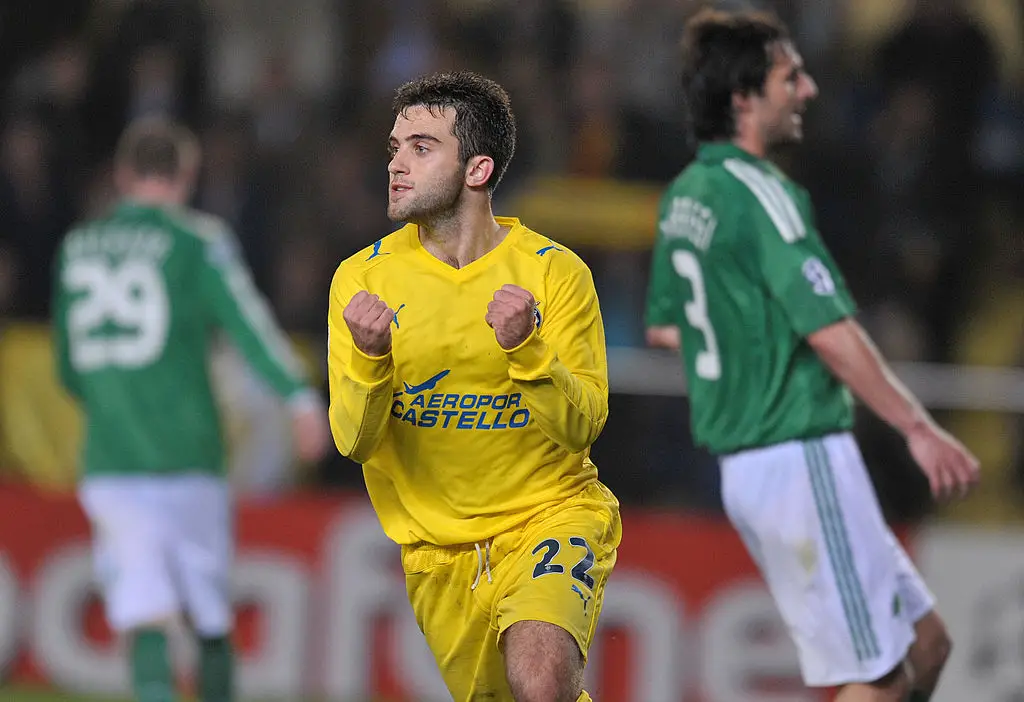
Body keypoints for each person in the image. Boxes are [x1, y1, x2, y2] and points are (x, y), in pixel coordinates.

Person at [645, 10, 980, 702]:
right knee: (878, 678)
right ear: (744, 99)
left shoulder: (686, 199)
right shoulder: (765, 196)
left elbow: (668, 329)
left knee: (928, 644)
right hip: (798, 456)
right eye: (789, 77)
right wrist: (917, 427)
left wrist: (749, 346)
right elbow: (831, 331)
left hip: (753, 466)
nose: (809, 89)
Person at [327, 71, 620, 702]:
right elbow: (352, 441)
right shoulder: (362, 281)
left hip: (550, 516)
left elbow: (583, 425)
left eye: (421, 148)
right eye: (393, 149)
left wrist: (525, 348)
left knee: (540, 682)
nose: (396, 164)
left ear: (477, 169)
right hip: (440, 555)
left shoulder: (555, 274)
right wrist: (371, 359)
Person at [52, 118, 331, 702]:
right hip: (187, 456)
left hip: (112, 458)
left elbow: (68, 371)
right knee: (208, 613)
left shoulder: (77, 247)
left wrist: (116, 402)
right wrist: (300, 397)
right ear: (187, 175)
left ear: (124, 176)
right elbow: (247, 324)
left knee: (142, 611)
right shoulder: (196, 240)